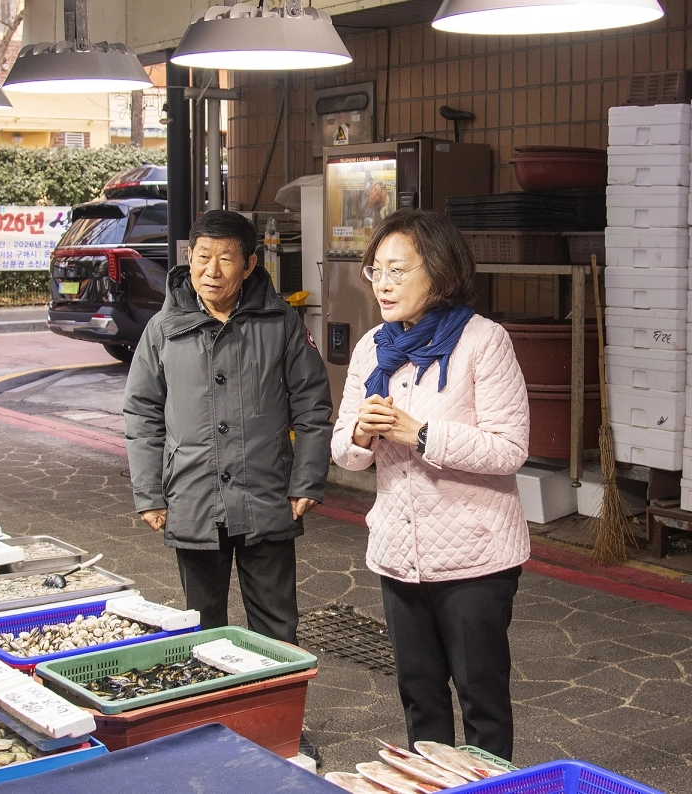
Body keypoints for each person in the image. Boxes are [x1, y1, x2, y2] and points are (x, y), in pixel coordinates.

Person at [330, 209, 530, 759]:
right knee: (419, 694)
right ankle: (430, 785)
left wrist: (420, 434)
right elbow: (344, 453)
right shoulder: (373, 346)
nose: (383, 283)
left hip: (475, 555)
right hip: (399, 552)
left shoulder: (484, 341)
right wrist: (362, 433)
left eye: (398, 270)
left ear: (439, 273)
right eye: (376, 270)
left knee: (481, 697)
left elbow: (509, 449)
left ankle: (490, 788)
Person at [124, 210, 333, 645]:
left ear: (250, 264)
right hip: (193, 497)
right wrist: (149, 492)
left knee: (276, 630)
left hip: (267, 496)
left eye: (225, 258)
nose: (212, 271)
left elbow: (312, 405)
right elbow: (142, 413)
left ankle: (276, 692)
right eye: (202, 257)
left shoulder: (281, 323)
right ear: (189, 258)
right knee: (200, 631)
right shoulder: (163, 329)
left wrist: (307, 480)